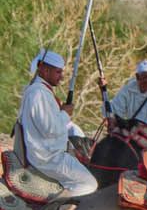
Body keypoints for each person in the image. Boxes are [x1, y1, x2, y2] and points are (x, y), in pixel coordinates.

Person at [14, 50, 97, 200]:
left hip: (51, 152)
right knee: (89, 184)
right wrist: (65, 113)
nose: (62, 77)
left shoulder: (42, 91)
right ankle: (58, 208)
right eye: (58, 72)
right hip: (48, 157)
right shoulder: (38, 94)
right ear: (45, 70)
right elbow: (50, 129)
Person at [105, 59, 147, 135]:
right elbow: (115, 110)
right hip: (132, 132)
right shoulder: (128, 89)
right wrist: (112, 121)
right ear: (137, 77)